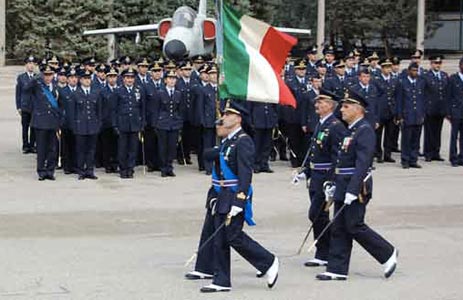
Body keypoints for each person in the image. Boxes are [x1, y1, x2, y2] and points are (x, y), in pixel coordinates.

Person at [316, 90, 398, 281]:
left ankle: (387, 253)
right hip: (343, 184)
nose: (341, 110)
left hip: (356, 186)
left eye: (346, 106)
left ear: (358, 109)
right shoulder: (351, 130)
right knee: (339, 226)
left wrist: (352, 190)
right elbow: (341, 161)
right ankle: (337, 268)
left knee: (354, 225)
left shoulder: (365, 130)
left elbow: (363, 163)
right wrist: (333, 183)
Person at [199, 101, 279, 293]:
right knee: (221, 237)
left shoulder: (244, 141)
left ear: (238, 119)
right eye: (224, 113)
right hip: (222, 194)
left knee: (233, 236)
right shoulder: (228, 141)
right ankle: (221, 280)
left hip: (234, 194)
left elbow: (245, 174)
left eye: (228, 114)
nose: (223, 117)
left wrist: (240, 200)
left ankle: (268, 261)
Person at [301, 90, 347, 267]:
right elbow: (314, 152)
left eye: (321, 102)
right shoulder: (321, 123)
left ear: (330, 105)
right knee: (319, 215)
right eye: (317, 101)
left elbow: (338, 157)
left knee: (317, 213)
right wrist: (305, 171)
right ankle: (323, 252)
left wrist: (332, 180)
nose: (317, 105)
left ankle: (326, 251)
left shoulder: (335, 126)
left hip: (325, 177)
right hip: (315, 176)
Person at [26, 65, 63, 181]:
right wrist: (36, 77)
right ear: (42, 75)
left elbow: (60, 105)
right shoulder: (37, 86)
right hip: (40, 122)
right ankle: (41, 171)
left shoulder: (56, 87)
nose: (48, 77)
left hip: (53, 122)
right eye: (45, 75)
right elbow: (26, 88)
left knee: (52, 149)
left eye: (50, 75)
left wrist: (60, 121)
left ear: (53, 75)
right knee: (41, 149)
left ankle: (50, 171)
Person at [113, 67, 146, 179]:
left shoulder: (139, 90)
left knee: (133, 148)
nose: (129, 80)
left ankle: (130, 168)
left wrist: (142, 123)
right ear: (123, 79)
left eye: (132, 78)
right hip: (122, 124)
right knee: (122, 148)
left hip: (135, 124)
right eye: (127, 77)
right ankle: (123, 169)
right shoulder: (118, 91)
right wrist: (115, 125)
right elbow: (114, 109)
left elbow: (142, 108)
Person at [72, 70, 103, 180]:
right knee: (81, 150)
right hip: (80, 126)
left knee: (91, 149)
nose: (87, 81)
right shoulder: (76, 93)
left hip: (93, 126)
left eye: (88, 79)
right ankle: (81, 170)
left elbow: (99, 111)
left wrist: (98, 124)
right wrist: (74, 126)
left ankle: (90, 170)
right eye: (85, 79)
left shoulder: (96, 92)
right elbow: (73, 112)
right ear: (80, 80)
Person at [155, 70, 184, 177]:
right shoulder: (160, 93)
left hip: (174, 123)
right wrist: (156, 123)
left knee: (172, 147)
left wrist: (179, 122)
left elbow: (181, 110)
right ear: (165, 80)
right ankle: (163, 168)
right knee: (163, 147)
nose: (172, 81)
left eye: (174, 79)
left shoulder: (178, 94)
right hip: (163, 123)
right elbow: (156, 109)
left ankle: (169, 166)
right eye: (170, 78)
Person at [397, 63, 426, 169]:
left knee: (416, 139)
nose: (415, 72)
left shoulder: (421, 82)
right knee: (406, 140)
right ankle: (405, 160)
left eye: (416, 70)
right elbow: (399, 100)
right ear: (408, 71)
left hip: (418, 115)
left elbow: (423, 99)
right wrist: (399, 116)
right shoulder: (402, 83)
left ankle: (413, 159)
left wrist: (423, 113)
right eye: (413, 70)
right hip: (407, 115)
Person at [372, 58, 399, 163]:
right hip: (380, 110)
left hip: (391, 110)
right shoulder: (376, 80)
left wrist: (396, 112)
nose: (388, 69)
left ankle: (388, 154)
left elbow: (396, 96)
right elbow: (374, 97)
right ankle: (378, 154)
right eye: (386, 67)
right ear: (382, 68)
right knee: (378, 134)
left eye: (389, 67)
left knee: (390, 134)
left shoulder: (394, 79)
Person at [423, 55, 448, 162]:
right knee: (429, 132)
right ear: (431, 64)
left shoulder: (444, 75)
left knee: (438, 132)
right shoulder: (426, 76)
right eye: (435, 63)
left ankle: (436, 152)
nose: (437, 65)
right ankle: (428, 153)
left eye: (439, 63)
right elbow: (423, 93)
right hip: (430, 108)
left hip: (440, 109)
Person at [16, 56, 38, 154]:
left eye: (33, 64)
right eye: (29, 63)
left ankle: (32, 145)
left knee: (33, 127)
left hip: (35, 106)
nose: (31, 66)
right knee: (25, 127)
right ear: (26, 65)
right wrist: (18, 106)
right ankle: (25, 145)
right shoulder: (21, 77)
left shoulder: (38, 76)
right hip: (25, 106)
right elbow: (18, 92)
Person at [447, 58, 463, 166]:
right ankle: (453, 157)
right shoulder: (453, 78)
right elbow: (448, 96)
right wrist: (448, 112)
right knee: (454, 136)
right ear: (460, 65)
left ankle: (462, 157)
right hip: (456, 111)